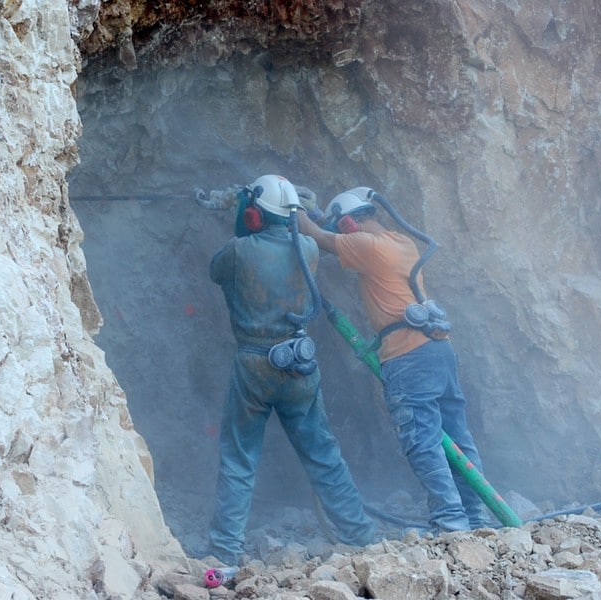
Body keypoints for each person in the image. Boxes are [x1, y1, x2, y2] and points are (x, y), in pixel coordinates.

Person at [297, 187, 489, 533]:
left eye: (342, 230)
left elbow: (313, 236)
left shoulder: (368, 246)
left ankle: (450, 521)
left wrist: (288, 204)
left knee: (422, 439)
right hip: (438, 349)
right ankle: (475, 518)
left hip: (407, 355)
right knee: (457, 437)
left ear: (348, 224)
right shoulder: (401, 241)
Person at [207, 174, 375, 566]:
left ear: (253, 215)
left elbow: (217, 270)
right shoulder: (309, 250)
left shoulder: (237, 250)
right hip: (299, 363)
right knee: (323, 454)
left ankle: (225, 551)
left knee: (239, 457)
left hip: (254, 364)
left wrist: (238, 219)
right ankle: (362, 536)